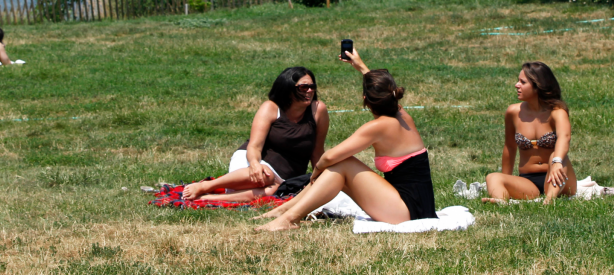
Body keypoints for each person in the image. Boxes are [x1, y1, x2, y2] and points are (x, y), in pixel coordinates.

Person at [255, 49, 435, 231]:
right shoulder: (403, 117)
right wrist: (362, 67)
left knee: (342, 163)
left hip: (408, 211)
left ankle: (290, 218)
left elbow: (330, 156)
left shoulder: (377, 127)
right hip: (416, 206)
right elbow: (384, 91)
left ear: (365, 100)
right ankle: (285, 211)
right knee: (341, 165)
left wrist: (316, 171)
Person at [181, 67, 329, 202]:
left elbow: (317, 151)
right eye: (304, 87)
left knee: (274, 191)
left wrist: (319, 177)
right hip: (255, 160)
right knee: (266, 176)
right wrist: (254, 164)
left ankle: (209, 198)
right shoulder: (271, 108)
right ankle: (206, 186)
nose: (309, 91)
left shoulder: (318, 110)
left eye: (312, 87)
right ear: (288, 89)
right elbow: (254, 146)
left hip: (287, 173)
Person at [484, 61, 576, 204]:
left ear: (537, 86)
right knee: (493, 177)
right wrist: (506, 180)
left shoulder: (557, 112)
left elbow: (565, 137)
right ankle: (500, 201)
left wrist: (557, 161)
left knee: (556, 155)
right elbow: (509, 147)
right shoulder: (513, 112)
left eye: (522, 82)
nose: (517, 85)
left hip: (559, 176)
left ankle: (549, 201)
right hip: (528, 181)